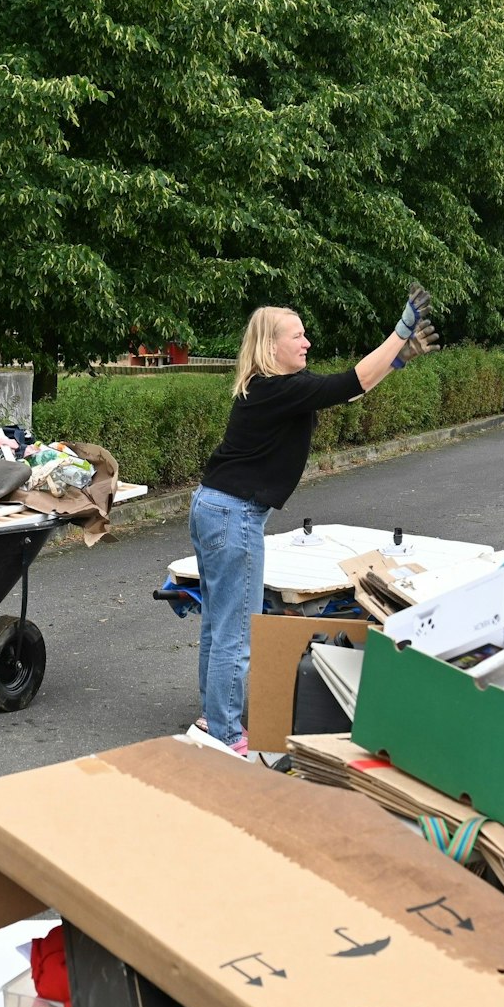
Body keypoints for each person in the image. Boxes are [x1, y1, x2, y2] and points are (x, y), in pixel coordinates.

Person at [188, 289, 437, 755]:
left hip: (216, 507)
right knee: (235, 631)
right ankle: (225, 732)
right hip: (232, 515)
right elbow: (352, 381)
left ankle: (213, 720)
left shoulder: (274, 388)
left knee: (219, 627)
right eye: (297, 336)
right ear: (271, 346)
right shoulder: (277, 389)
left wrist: (397, 359)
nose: (306, 343)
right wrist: (399, 333)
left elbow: (347, 389)